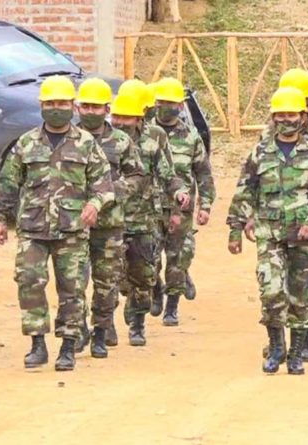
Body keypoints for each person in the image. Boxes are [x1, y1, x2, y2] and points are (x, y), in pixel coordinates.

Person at [0, 75, 115, 371]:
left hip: (71, 230)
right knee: (29, 283)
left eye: (61, 103)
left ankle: (69, 346)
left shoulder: (86, 144)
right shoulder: (26, 143)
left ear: (72, 107)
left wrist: (94, 204)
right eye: (50, 103)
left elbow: (104, 185)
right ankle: (37, 344)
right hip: (32, 228)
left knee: (72, 289)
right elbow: (8, 182)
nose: (55, 108)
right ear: (41, 107)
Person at [227, 87, 308, 375]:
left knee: (302, 296)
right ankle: (276, 347)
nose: (285, 119)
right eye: (280, 115)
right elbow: (245, 189)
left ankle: (297, 353)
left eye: (291, 114)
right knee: (271, 292)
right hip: (271, 234)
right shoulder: (260, 152)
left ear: (302, 117)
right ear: (273, 118)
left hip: (306, 237)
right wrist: (236, 227)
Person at [112, 82, 189, 346]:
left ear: (138, 117)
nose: (120, 122)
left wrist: (178, 195)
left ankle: (137, 323)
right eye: (117, 116)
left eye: (126, 117)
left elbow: (169, 174)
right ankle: (111, 316)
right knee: (113, 277)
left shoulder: (152, 140)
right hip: (111, 221)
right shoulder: (102, 141)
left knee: (143, 275)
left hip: (145, 219)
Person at [76, 77, 146, 356]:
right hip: (74, 224)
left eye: (96, 107)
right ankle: (77, 326)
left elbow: (137, 175)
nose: (90, 112)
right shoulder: (69, 139)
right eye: (86, 107)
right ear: (78, 108)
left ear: (106, 110)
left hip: (110, 224)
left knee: (107, 281)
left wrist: (111, 192)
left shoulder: (121, 141)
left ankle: (101, 332)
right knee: (74, 281)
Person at [151, 77, 215, 326]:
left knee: (178, 257)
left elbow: (203, 173)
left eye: (171, 103)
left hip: (181, 208)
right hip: (149, 207)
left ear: (180, 106)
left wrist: (206, 205)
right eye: (161, 102)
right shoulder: (146, 134)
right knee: (149, 259)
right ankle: (156, 289)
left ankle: (172, 306)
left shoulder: (190, 137)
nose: (165, 107)